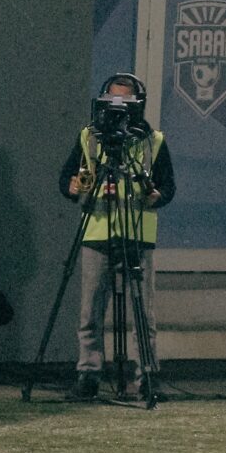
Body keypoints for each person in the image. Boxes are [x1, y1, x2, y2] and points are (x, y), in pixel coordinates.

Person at [61, 73, 175, 399]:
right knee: (90, 312)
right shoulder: (89, 137)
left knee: (143, 314)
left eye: (125, 101)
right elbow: (66, 178)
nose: (118, 109)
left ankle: (147, 378)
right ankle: (88, 375)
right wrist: (71, 187)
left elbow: (168, 186)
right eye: (113, 101)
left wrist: (157, 196)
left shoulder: (153, 141)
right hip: (97, 233)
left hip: (137, 235)